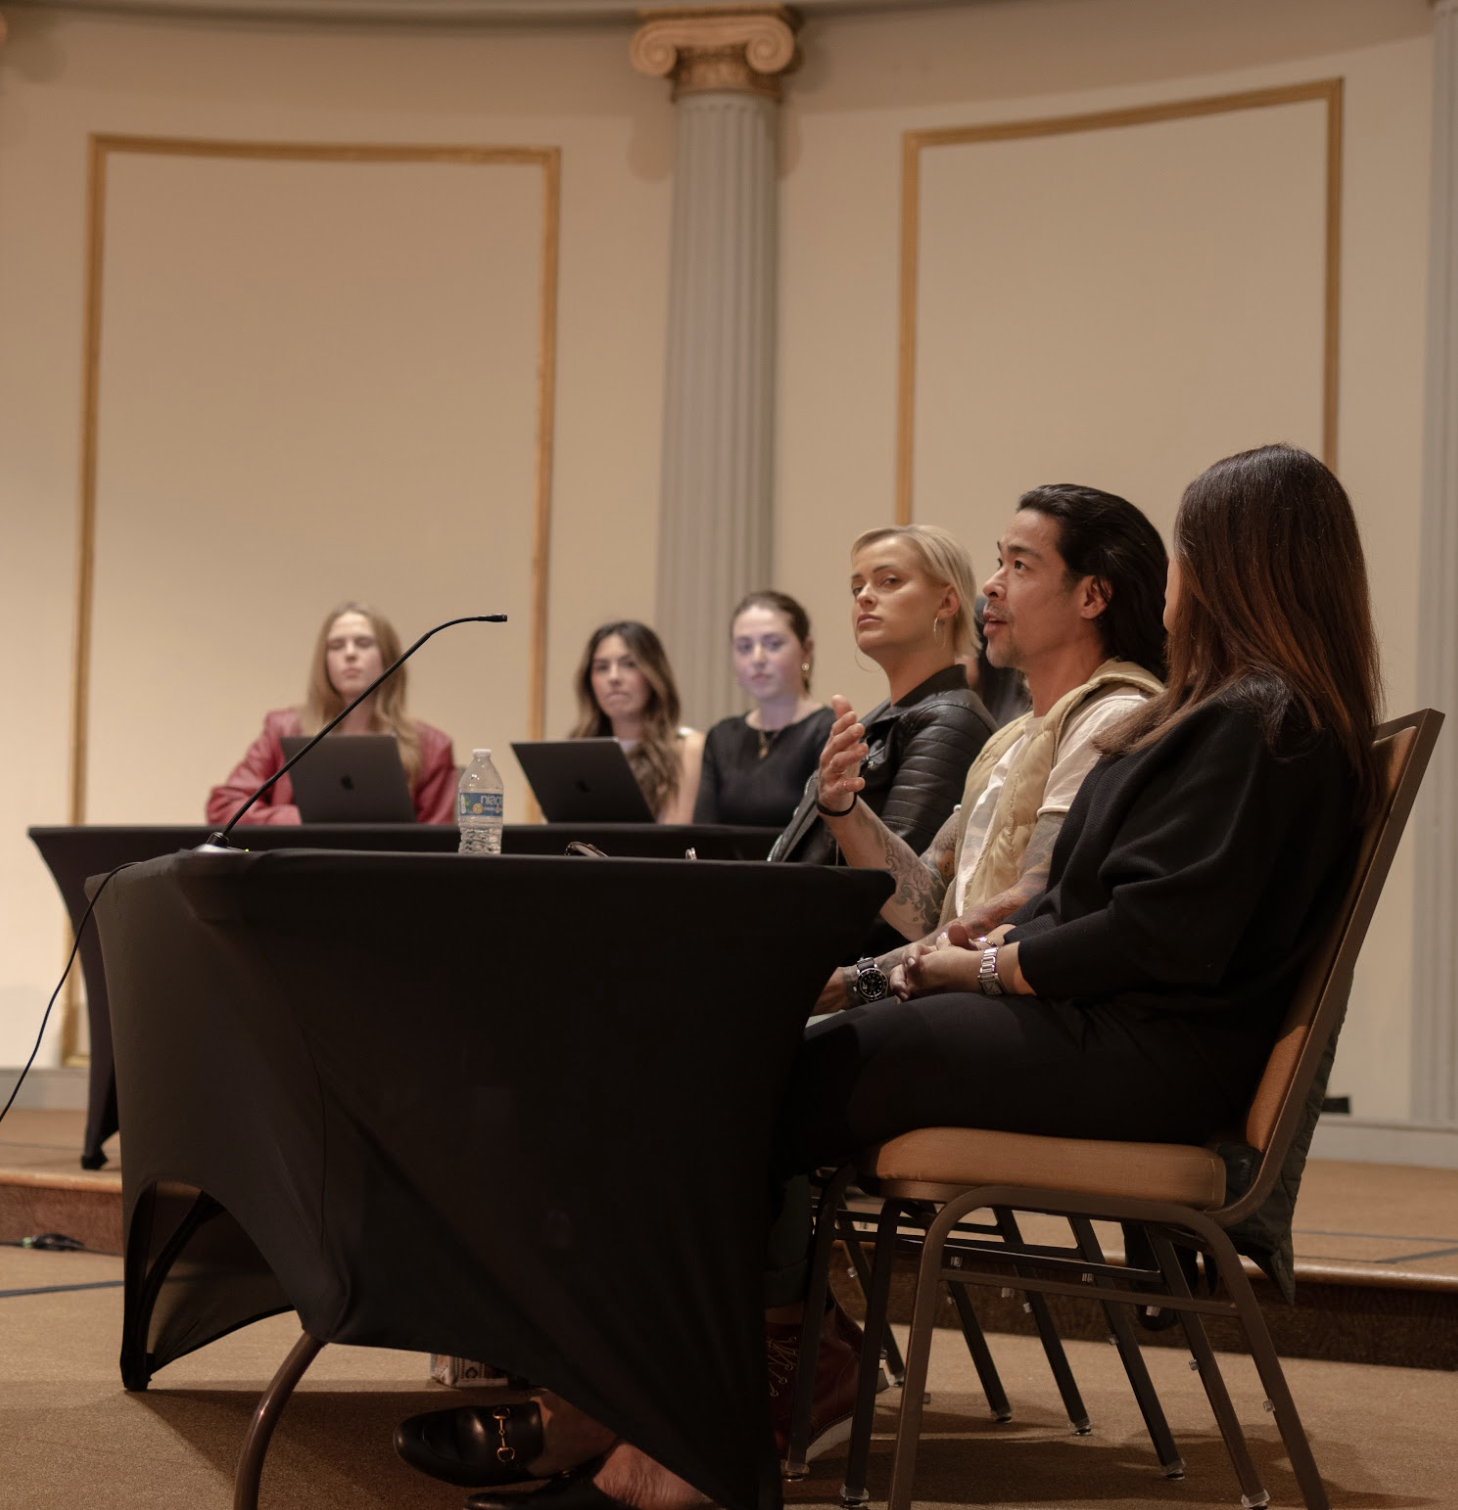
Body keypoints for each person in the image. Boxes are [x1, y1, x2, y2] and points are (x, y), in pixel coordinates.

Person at [393, 445, 1383, 1510]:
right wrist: (1023, 916)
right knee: (729, 1067)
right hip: (1111, 1026)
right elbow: (1128, 897)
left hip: (1142, 1050)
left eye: (1191, 550)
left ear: (1241, 563)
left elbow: (1162, 932)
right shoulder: (1235, 716)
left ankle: (674, 1439)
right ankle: (639, 1402)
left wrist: (993, 959)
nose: (1175, 578)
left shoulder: (1261, 723)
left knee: (733, 1082)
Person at [814, 484, 1167, 1012]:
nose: (991, 586)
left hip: (1025, 1011)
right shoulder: (1010, 737)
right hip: (967, 1004)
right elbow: (929, 901)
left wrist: (852, 984)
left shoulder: (1113, 716)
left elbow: (1034, 898)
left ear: (1092, 596)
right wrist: (843, 806)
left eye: (1020, 567)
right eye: (1000, 562)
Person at [769, 524, 996, 868]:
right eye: (857, 587)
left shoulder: (952, 721)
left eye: (889, 581)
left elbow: (892, 883)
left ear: (947, 601)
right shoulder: (884, 718)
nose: (863, 597)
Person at [205, 601, 456, 826]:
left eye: (363, 643)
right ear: (324, 661)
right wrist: (300, 818)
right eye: (336, 645)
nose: (349, 653)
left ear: (388, 657)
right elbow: (225, 806)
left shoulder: (431, 746)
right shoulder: (282, 729)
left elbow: (437, 842)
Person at [692, 591, 833, 829]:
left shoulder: (828, 729)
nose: (757, 658)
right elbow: (702, 835)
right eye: (744, 647)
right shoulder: (722, 736)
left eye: (773, 644)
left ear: (806, 650)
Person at [570, 621, 704, 824]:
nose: (614, 677)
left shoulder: (686, 747)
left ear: (653, 675)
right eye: (602, 667)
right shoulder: (577, 751)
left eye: (629, 664)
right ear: (589, 682)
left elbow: (675, 839)